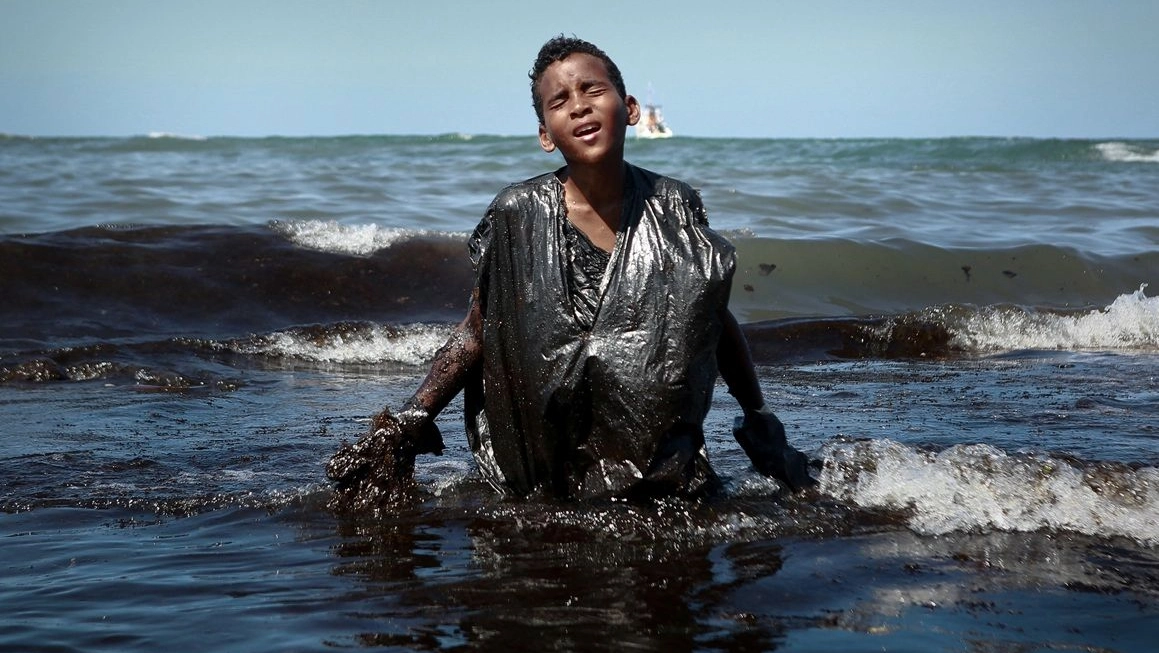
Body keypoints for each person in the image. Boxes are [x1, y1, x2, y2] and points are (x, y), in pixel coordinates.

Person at [328, 36, 813, 509]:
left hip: (661, 474)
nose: (579, 106)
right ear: (545, 134)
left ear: (630, 108)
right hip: (548, 479)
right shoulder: (516, 213)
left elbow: (710, 318)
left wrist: (759, 417)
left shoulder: (675, 205)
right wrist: (412, 419)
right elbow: (479, 330)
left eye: (592, 90)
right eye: (559, 101)